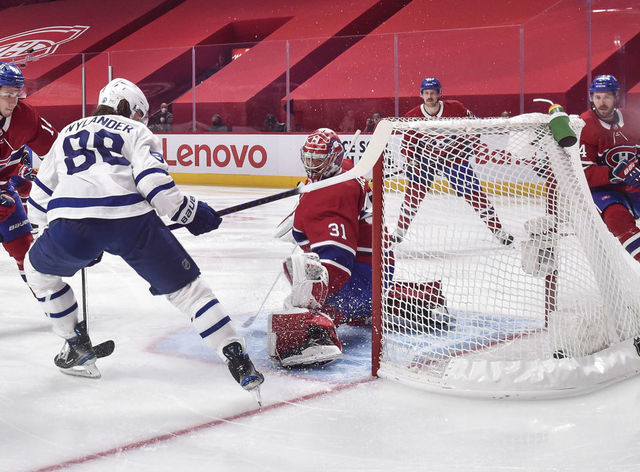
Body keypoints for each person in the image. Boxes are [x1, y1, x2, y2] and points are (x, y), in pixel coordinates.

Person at [24, 78, 264, 394]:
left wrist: (51, 235)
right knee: (189, 293)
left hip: (70, 223)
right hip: (131, 222)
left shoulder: (68, 131)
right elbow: (156, 189)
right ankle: (236, 356)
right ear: (136, 110)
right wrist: (191, 212)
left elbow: (39, 197)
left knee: (37, 272)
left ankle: (74, 343)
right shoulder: (137, 131)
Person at [268, 128, 449, 368]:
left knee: (303, 280)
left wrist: (313, 301)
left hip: (362, 276)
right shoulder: (344, 173)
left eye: (318, 160)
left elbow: (337, 263)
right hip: (378, 271)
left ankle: (318, 335)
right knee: (307, 277)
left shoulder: (333, 193)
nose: (311, 166)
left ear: (331, 160)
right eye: (309, 159)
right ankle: (407, 301)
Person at [393, 77, 513, 245]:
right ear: (421, 95)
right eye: (426, 93)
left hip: (454, 159)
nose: (430, 96)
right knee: (413, 195)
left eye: (433, 93)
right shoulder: (412, 116)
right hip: (427, 161)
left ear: (439, 94)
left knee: (476, 195)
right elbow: (408, 143)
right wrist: (412, 160)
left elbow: (476, 123)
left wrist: (471, 144)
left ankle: (498, 230)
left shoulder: (456, 108)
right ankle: (399, 231)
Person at [0, 62, 57, 283]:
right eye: (7, 94)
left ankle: (55, 311)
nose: (14, 101)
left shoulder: (25, 118)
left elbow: (58, 152)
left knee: (27, 255)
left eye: (17, 94)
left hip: (5, 190)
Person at [579, 74, 640, 262]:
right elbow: (584, 173)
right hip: (604, 191)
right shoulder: (585, 124)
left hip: (633, 185)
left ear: (616, 97)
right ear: (591, 98)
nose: (602, 102)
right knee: (616, 218)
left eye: (607, 96)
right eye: (597, 97)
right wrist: (614, 173)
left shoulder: (632, 118)